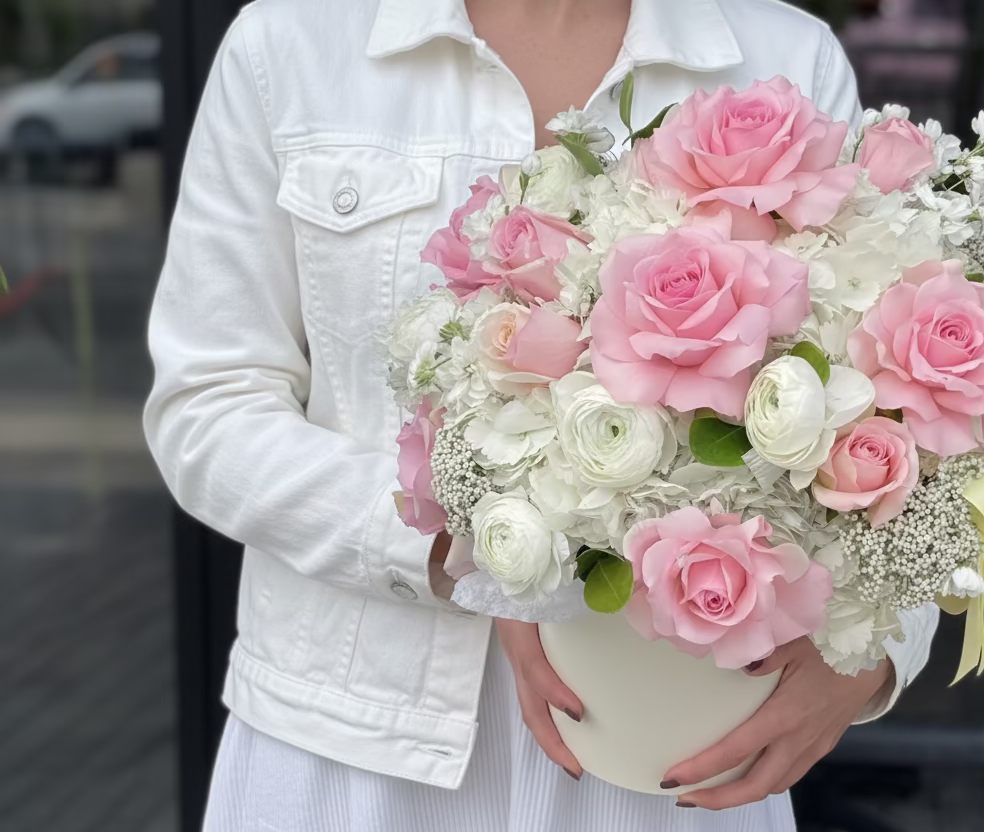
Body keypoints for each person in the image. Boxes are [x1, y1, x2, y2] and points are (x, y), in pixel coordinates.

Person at [144, 0, 939, 829]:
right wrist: (482, 553)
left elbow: (910, 404)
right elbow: (207, 409)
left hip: (679, 751)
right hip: (354, 749)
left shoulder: (782, 54)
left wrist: (874, 655)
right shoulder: (294, 42)